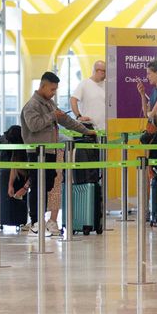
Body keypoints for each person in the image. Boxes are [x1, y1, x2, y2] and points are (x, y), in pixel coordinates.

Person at [20, 71, 94, 235]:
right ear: (43, 86)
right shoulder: (32, 106)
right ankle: (35, 221)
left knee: (46, 184)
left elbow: (66, 121)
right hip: (37, 152)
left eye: (55, 90)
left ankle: (40, 219)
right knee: (37, 185)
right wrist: (52, 116)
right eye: (52, 89)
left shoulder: (49, 104)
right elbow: (34, 125)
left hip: (51, 150)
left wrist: (86, 131)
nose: (53, 93)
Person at [69, 60, 107, 132]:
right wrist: (78, 116)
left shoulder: (107, 85)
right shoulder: (85, 84)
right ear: (97, 71)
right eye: (104, 72)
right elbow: (73, 100)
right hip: (89, 127)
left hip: (105, 128)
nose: (105, 74)